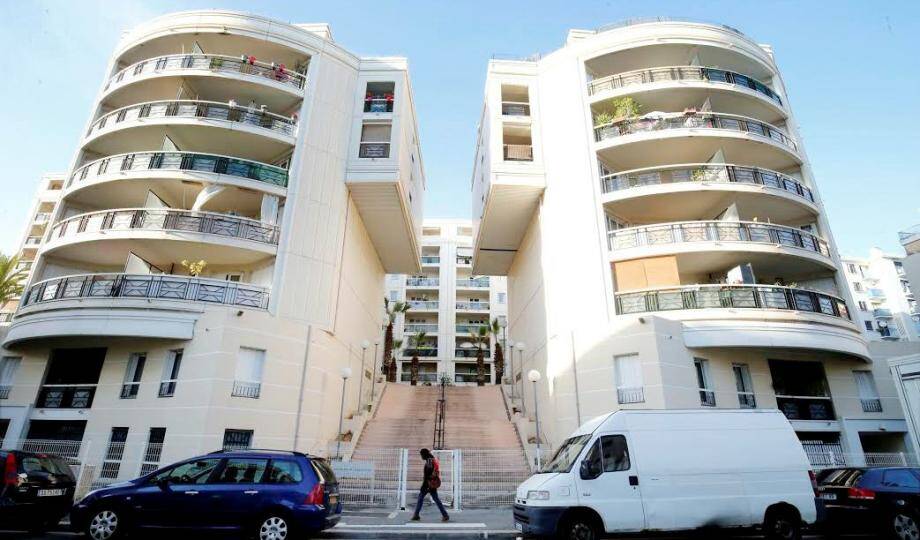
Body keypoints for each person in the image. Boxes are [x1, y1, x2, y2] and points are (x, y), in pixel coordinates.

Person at [410, 448, 449, 522]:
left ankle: (416, 515)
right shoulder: (431, 460)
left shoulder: (429, 461)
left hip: (428, 484)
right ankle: (445, 515)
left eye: (421, 455)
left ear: (424, 454)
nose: (421, 456)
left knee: (421, 499)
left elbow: (428, 475)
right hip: (431, 484)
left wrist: (425, 486)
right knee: (435, 500)